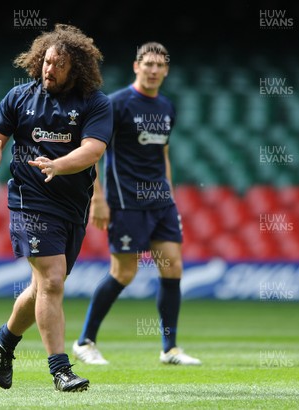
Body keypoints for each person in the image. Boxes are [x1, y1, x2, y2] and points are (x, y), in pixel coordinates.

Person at [0, 24, 113, 392]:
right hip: (29, 199)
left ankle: (3, 341)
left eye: (59, 65)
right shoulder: (19, 97)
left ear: (76, 70)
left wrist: (58, 164)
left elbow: (93, 151)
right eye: (47, 62)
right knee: (52, 279)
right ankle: (60, 370)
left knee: (43, 288)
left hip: (71, 204)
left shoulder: (96, 103)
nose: (49, 69)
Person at [72, 42, 201, 366]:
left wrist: (169, 196)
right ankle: (85, 341)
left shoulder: (167, 107)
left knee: (173, 266)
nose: (154, 70)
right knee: (124, 272)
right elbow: (92, 151)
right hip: (126, 201)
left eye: (160, 65)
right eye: (148, 64)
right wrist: (97, 198)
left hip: (161, 203)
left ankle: (169, 348)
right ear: (136, 66)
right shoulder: (117, 104)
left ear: (166, 70)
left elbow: (164, 154)